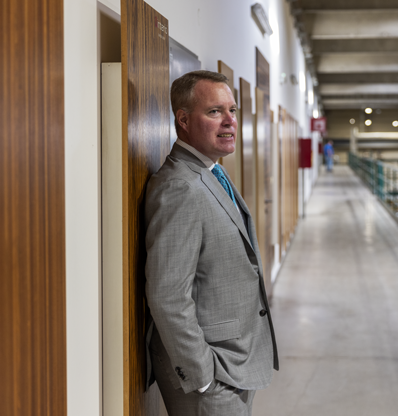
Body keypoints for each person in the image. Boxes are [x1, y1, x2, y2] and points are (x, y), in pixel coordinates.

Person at [144, 70, 279, 416]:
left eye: (232, 111)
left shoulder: (210, 172)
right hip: (210, 376)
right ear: (184, 120)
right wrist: (203, 376)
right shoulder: (180, 187)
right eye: (215, 112)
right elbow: (167, 294)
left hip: (235, 364)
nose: (230, 121)